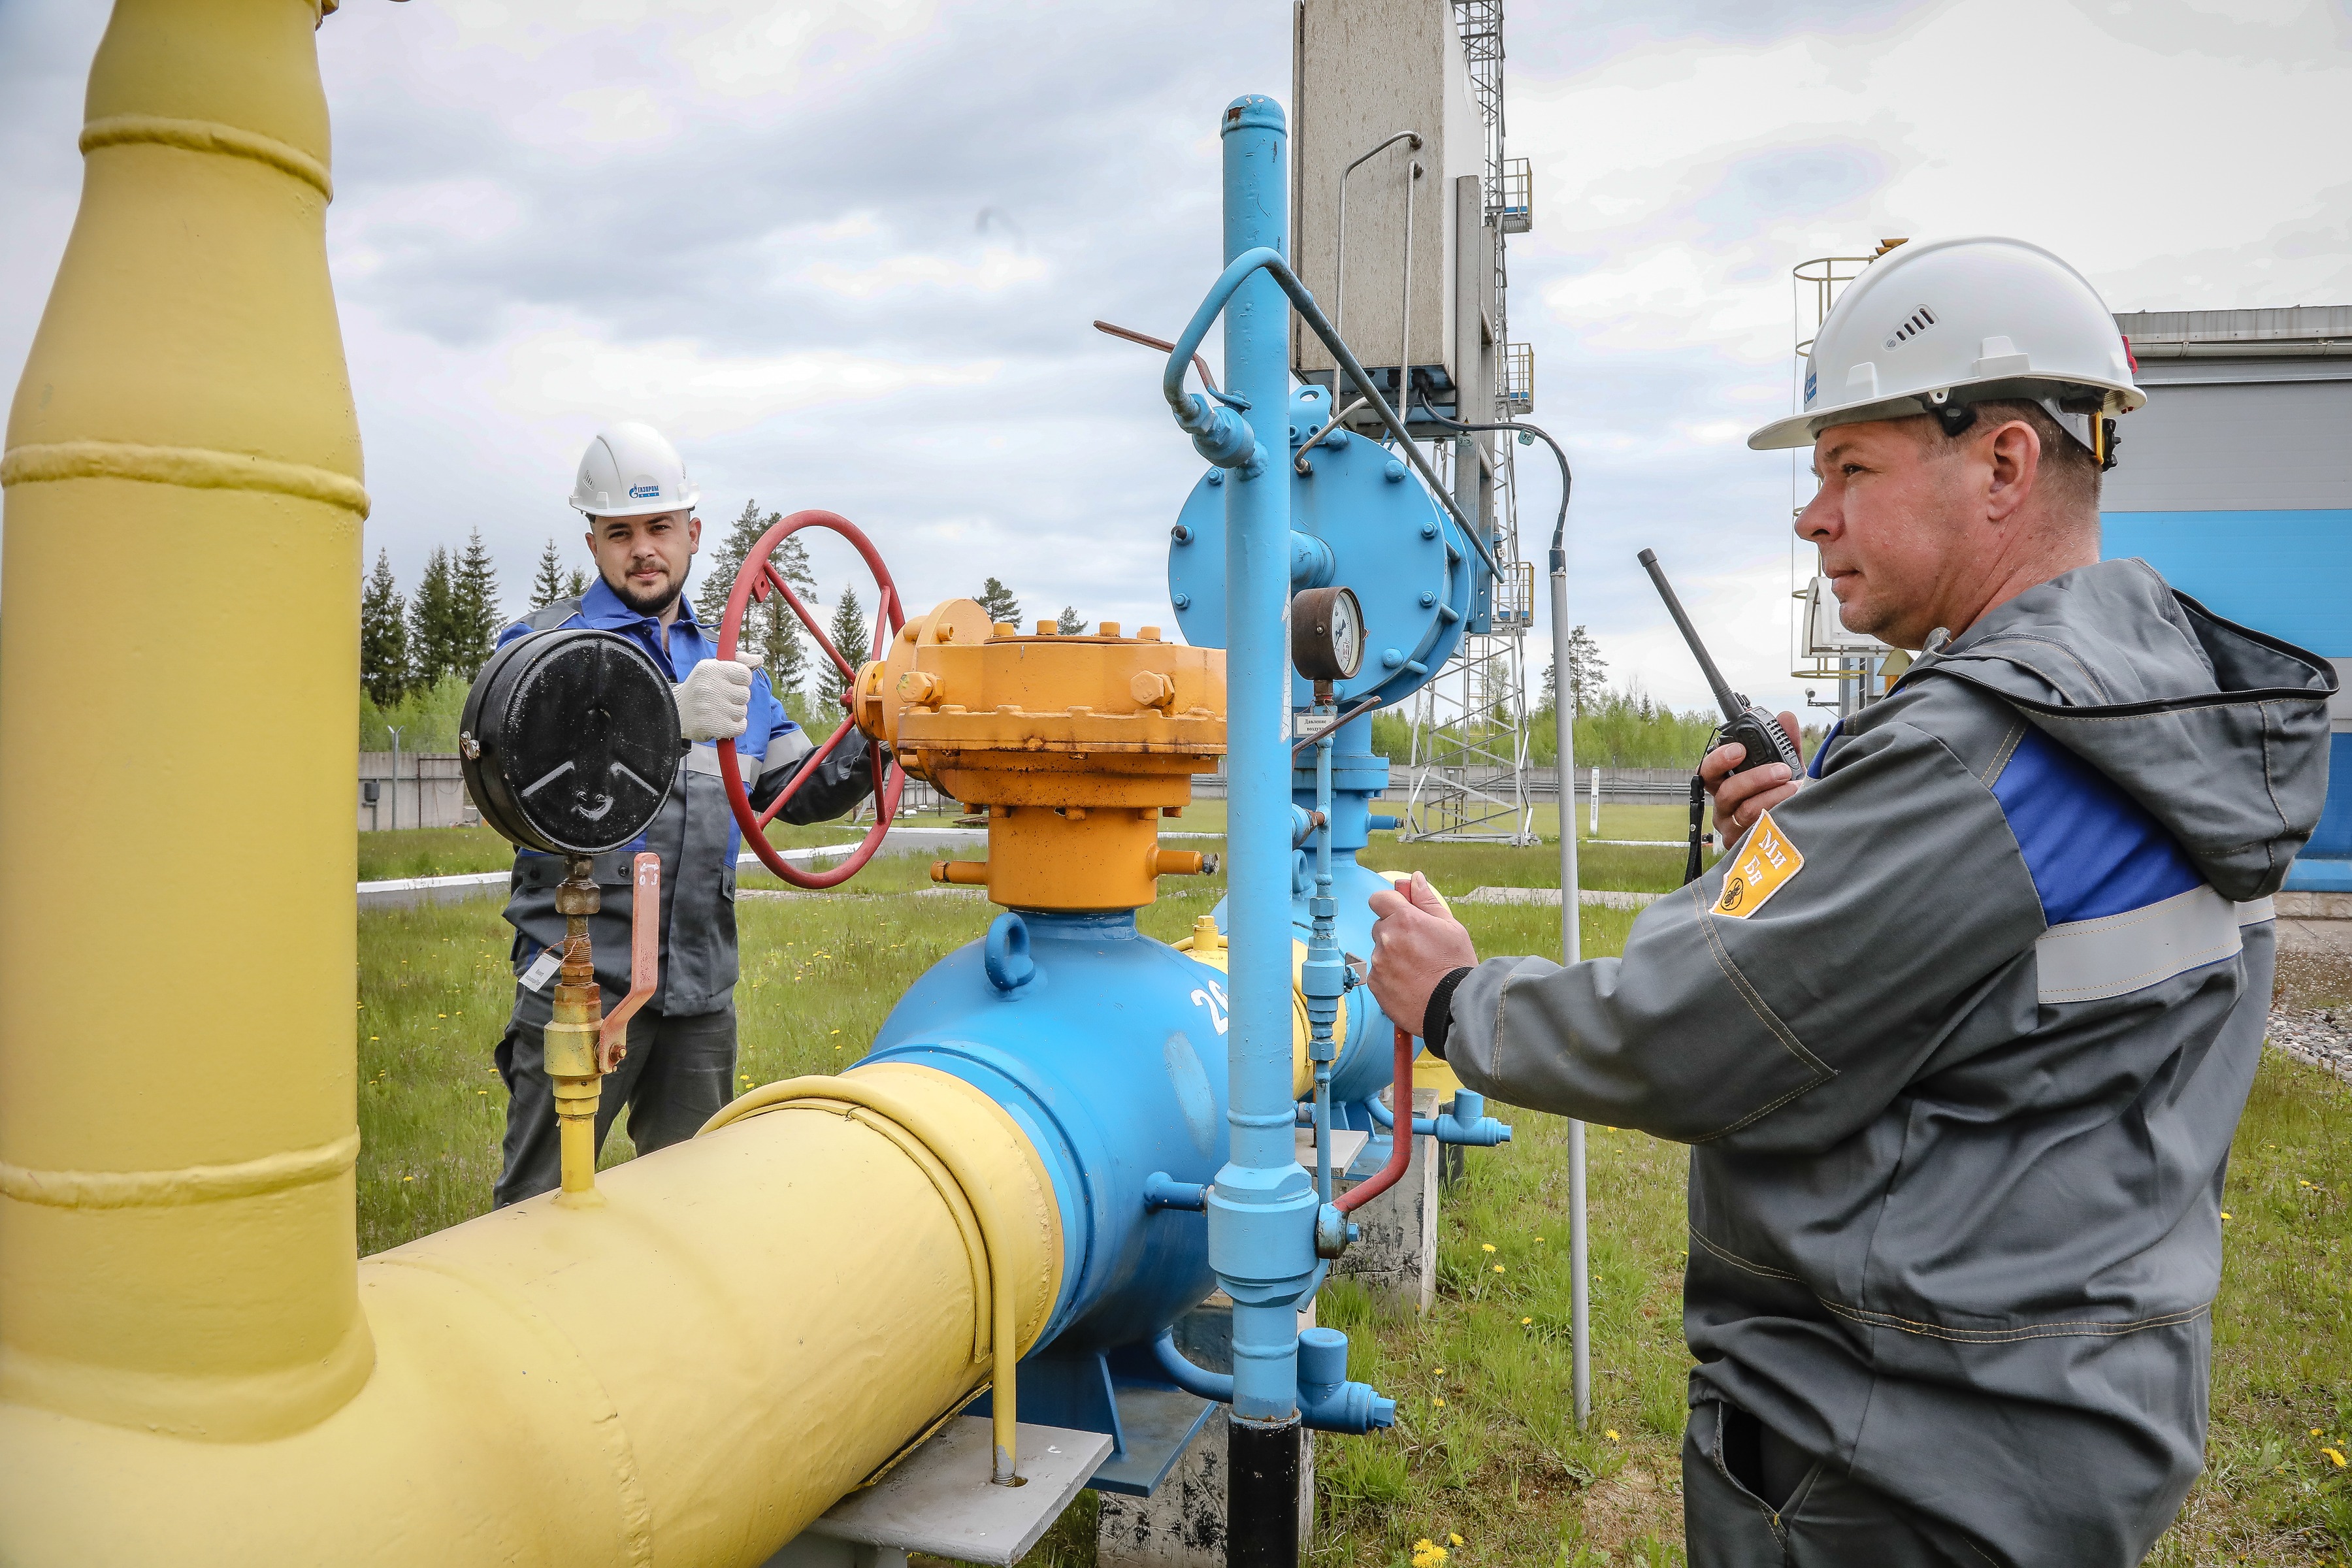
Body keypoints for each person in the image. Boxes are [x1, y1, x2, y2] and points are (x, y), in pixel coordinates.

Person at [1366, 238, 2336, 1567]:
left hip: (1902, 1452)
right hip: (2082, 1393)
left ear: (2002, 464)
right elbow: (2006, 970)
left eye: (1851, 469)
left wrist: (1460, 998)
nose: (1810, 514)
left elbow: (1690, 1024)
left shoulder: (1967, 754)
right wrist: (1819, 836)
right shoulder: (2161, 698)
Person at [490, 420, 876, 1207]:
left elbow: (792, 794)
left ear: (692, 534)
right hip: (578, 983)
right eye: (621, 532)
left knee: (693, 1213)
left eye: (659, 527)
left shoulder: (732, 669)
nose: (643, 549)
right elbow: (520, 772)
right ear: (593, 541)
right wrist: (661, 712)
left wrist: (879, 736)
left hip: (699, 995)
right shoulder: (543, 648)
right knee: (535, 1210)